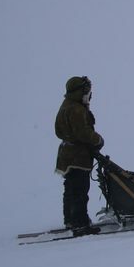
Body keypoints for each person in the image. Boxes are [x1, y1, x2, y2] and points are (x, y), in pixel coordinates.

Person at [55, 76, 104, 236]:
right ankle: (80, 224)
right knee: (79, 191)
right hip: (77, 156)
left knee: (70, 189)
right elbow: (83, 133)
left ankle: (70, 219)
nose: (90, 96)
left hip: (66, 155)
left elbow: (58, 131)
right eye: (88, 92)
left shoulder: (66, 106)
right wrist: (97, 140)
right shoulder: (76, 109)